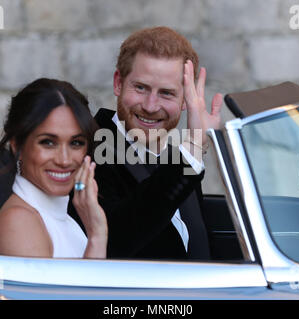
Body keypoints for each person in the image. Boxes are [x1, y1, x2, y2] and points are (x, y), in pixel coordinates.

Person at [70, 26, 223, 260]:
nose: (151, 106)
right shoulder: (86, 152)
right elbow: (116, 242)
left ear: (185, 100)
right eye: (140, 88)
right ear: (118, 83)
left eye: (167, 93)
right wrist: (192, 149)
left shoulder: (178, 159)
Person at [0, 78, 108, 258]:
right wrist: (97, 237)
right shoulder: (18, 222)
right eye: (48, 142)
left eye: (76, 143)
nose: (64, 160)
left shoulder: (63, 219)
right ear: (17, 145)